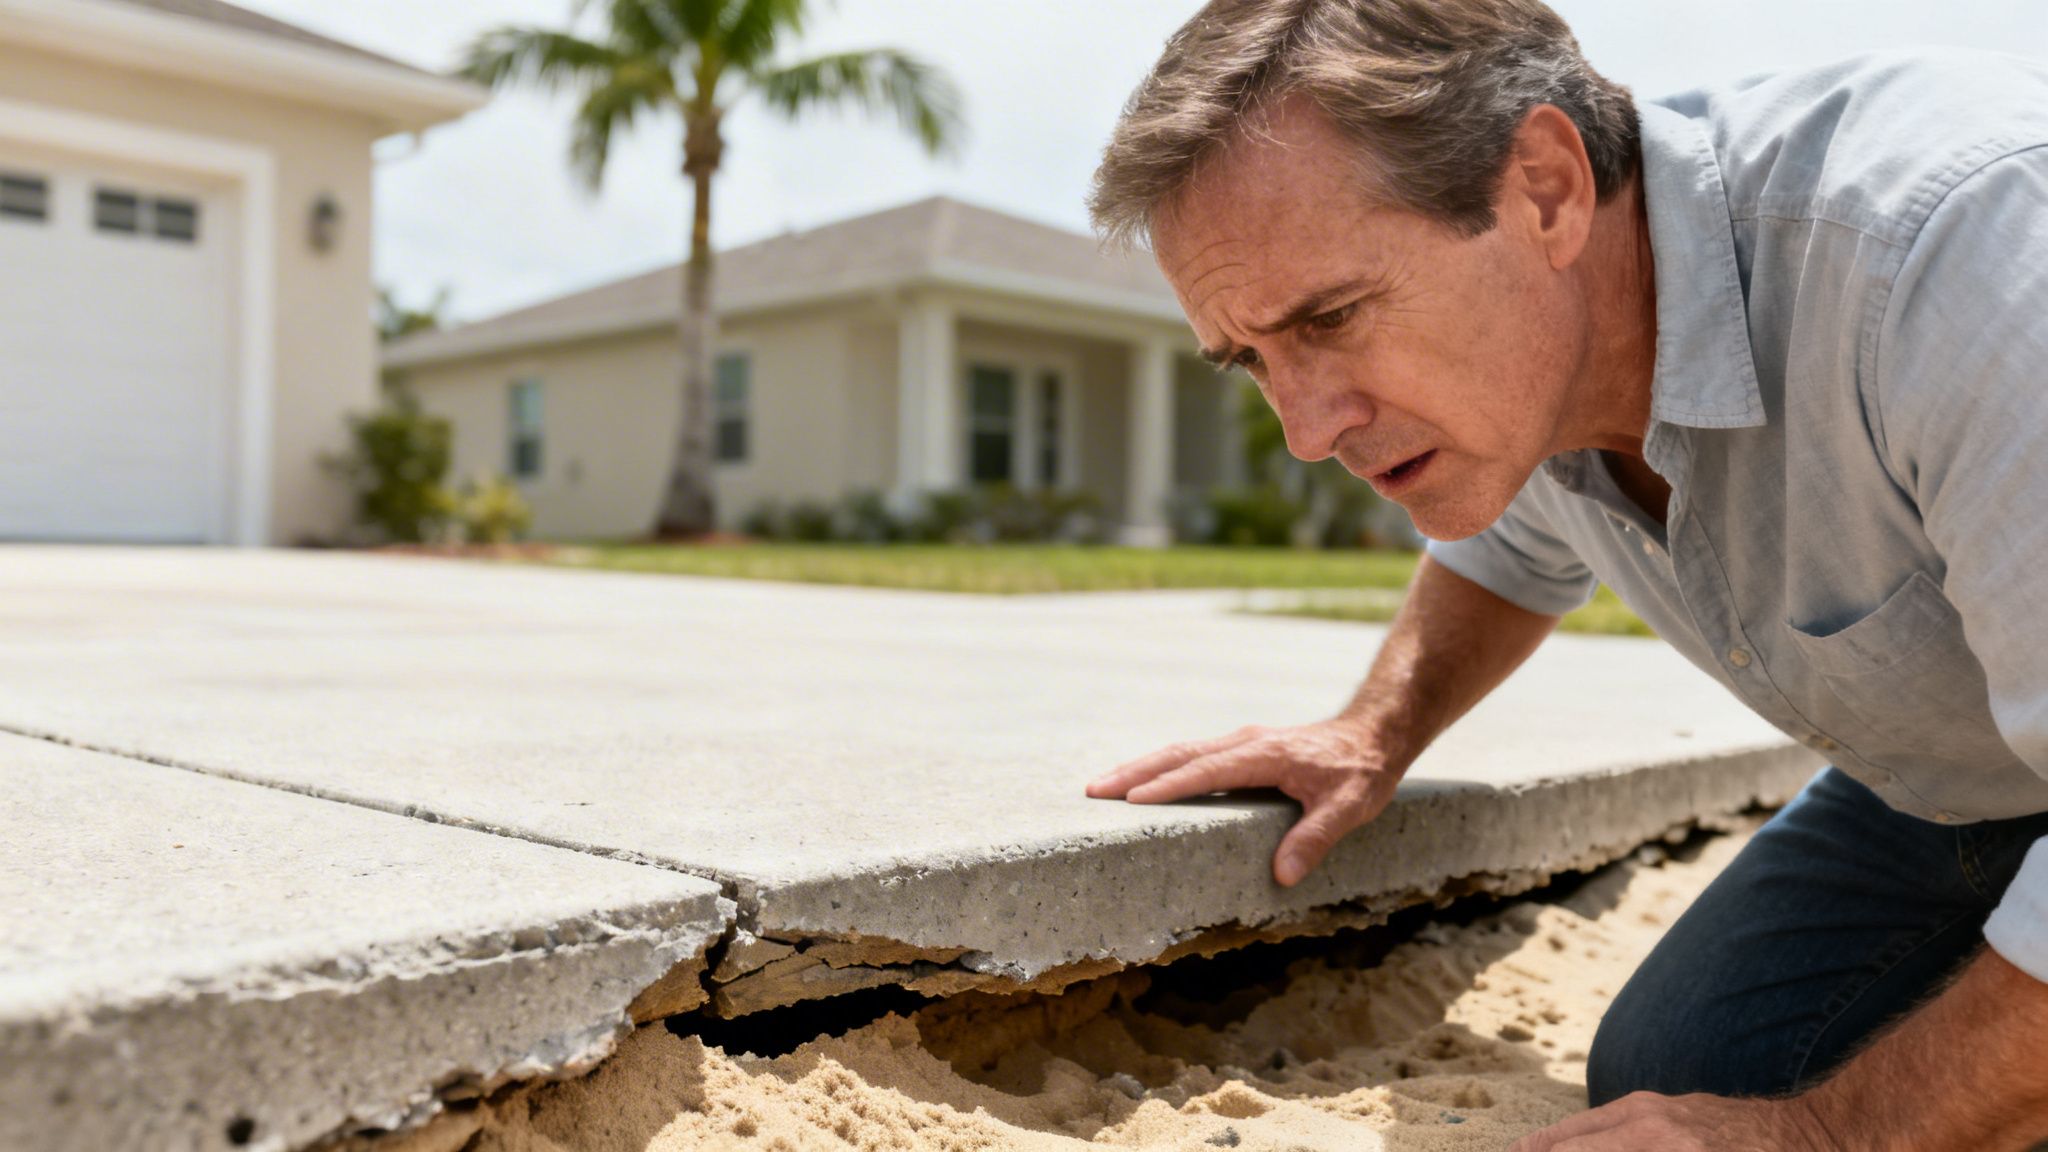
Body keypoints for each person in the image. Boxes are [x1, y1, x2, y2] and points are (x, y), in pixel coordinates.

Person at [1082, 1, 2048, 1148]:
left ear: (1543, 186)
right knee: (1687, 1067)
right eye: (1252, 359)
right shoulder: (1527, 360)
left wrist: (1823, 1135)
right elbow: (1502, 555)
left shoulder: (1963, 255)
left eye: (1332, 316)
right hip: (1961, 776)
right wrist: (1373, 731)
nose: (1303, 428)